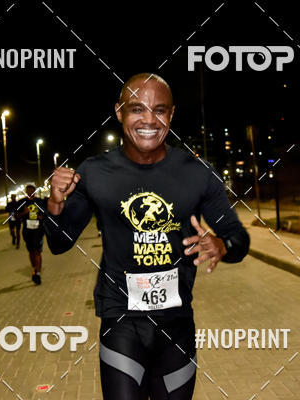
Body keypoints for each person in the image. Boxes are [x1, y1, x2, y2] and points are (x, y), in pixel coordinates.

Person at [44, 73, 250, 400]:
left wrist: (222, 245)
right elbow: (59, 243)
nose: (149, 120)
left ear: (171, 115)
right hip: (121, 321)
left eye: (160, 110)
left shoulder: (198, 173)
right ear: (119, 112)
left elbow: (239, 240)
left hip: (176, 324)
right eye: (137, 109)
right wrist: (55, 204)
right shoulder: (94, 173)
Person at [17, 183, 46, 285]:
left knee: (37, 251)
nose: (30, 191)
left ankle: (37, 273)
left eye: (32, 189)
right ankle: (34, 268)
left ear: (35, 190)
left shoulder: (40, 201)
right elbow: (16, 216)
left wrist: (42, 217)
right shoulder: (21, 202)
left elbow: (47, 214)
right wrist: (24, 213)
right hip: (27, 231)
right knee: (31, 252)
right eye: (28, 189)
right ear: (26, 191)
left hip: (38, 230)